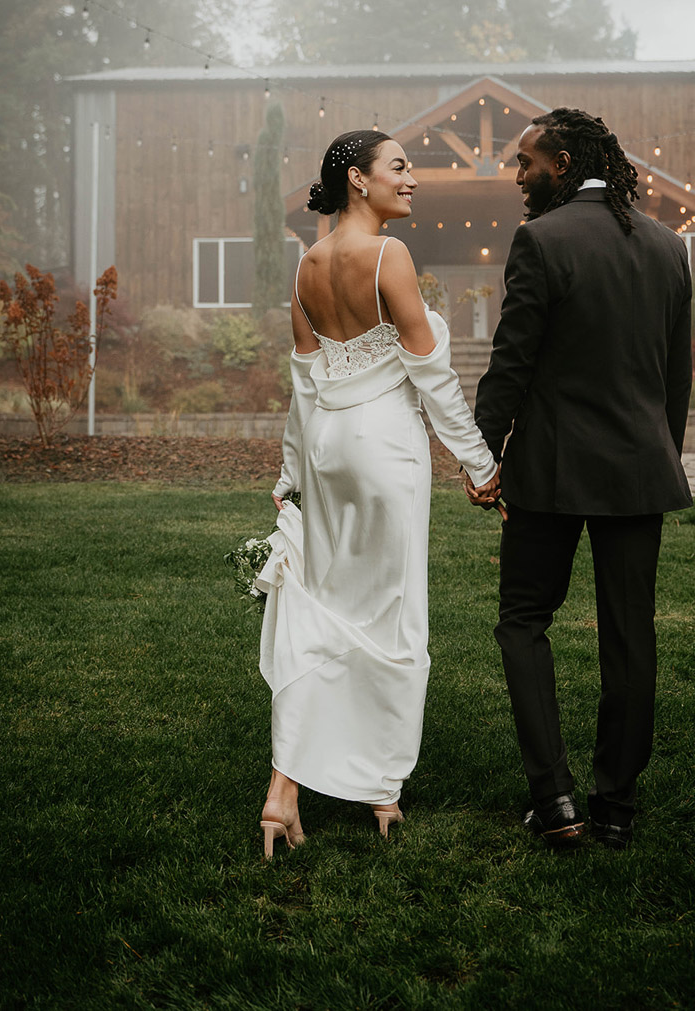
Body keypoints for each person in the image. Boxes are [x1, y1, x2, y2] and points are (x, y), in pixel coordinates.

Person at [258, 129, 501, 858]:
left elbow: (303, 386)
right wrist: (480, 462)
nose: (412, 179)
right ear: (358, 181)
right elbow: (430, 375)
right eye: (399, 167)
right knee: (393, 622)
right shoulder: (388, 257)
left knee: (326, 611)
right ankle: (380, 786)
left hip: (328, 452)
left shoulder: (306, 266)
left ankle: (283, 791)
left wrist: (289, 477)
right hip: (384, 448)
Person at [470, 108, 692, 850]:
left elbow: (512, 362)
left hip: (549, 472)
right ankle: (615, 808)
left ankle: (554, 799)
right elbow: (675, 377)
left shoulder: (540, 239)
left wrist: (482, 455)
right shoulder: (667, 246)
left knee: (522, 619)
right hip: (638, 469)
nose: (518, 174)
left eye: (526, 161)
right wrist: (661, 454)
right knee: (631, 636)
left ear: (561, 163)